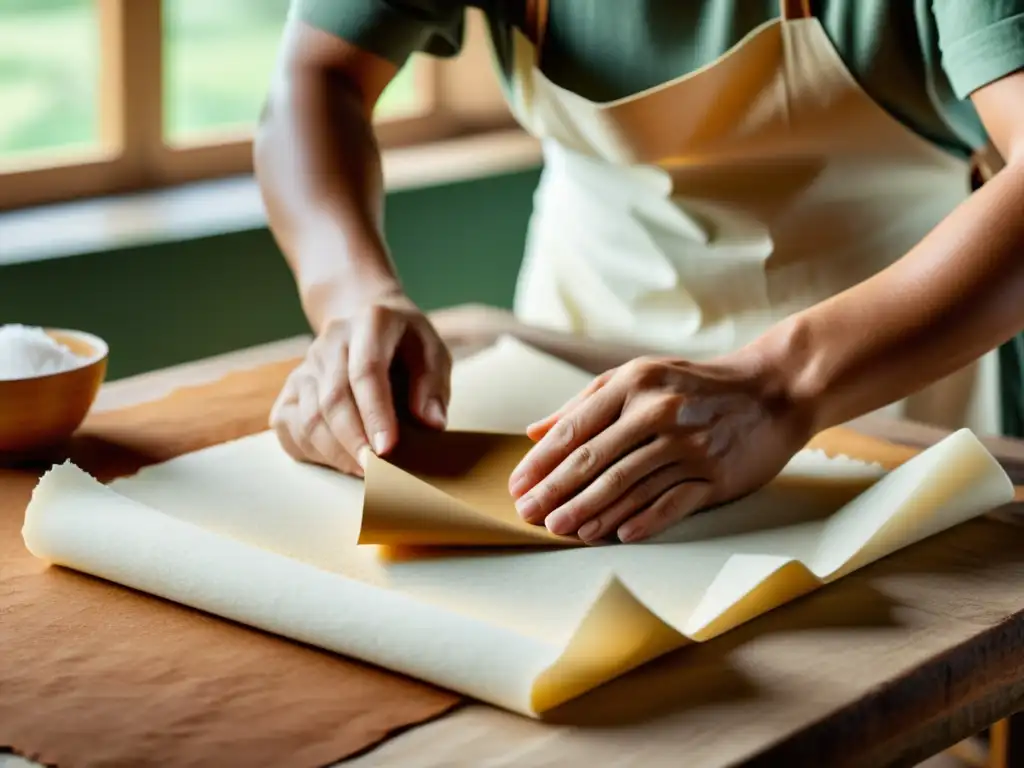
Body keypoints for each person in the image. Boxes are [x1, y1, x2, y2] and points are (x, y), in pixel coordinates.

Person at [255, 0, 1024, 544]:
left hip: (874, 387)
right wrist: (353, 297)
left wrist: (778, 389)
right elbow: (316, 76)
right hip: (561, 359)